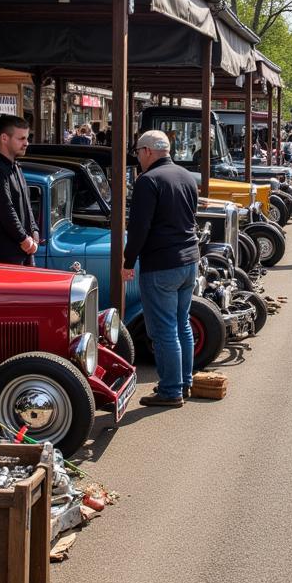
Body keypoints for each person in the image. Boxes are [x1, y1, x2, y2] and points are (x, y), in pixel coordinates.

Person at [122, 130, 200, 408]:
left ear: (147, 152)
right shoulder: (186, 176)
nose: (138, 159)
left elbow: (139, 228)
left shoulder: (148, 181)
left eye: (138, 153)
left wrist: (128, 262)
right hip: (189, 259)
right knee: (182, 324)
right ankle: (184, 381)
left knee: (164, 329)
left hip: (161, 263)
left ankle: (170, 389)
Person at [0, 115, 39, 266]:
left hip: (24, 253)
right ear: (4, 138)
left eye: (27, 138)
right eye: (21, 139)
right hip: (5, 257)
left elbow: (26, 203)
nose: (26, 143)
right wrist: (24, 239)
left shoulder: (15, 166)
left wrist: (34, 229)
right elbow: (6, 210)